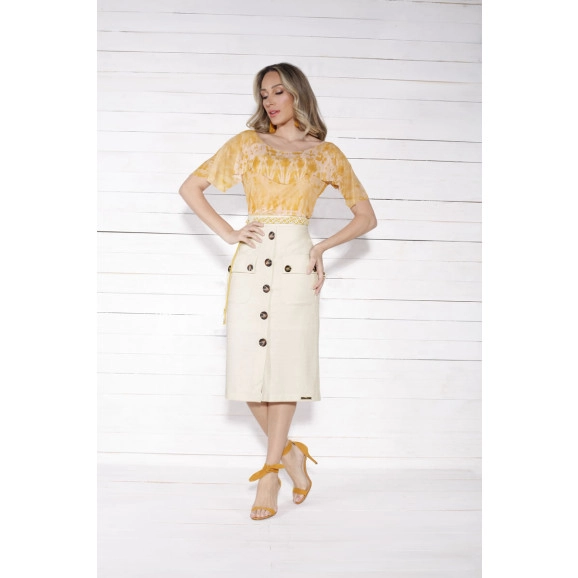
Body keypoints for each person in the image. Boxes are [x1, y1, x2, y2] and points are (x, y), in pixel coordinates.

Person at [178, 63, 377, 520]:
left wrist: (321, 247)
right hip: (251, 263)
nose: (269, 101)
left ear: (297, 95)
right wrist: (229, 232)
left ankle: (270, 474)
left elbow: (366, 217)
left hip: (295, 264)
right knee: (249, 371)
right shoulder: (247, 144)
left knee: (284, 370)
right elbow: (191, 188)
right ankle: (290, 455)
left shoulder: (325, 154)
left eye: (278, 92)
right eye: (263, 93)